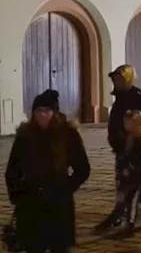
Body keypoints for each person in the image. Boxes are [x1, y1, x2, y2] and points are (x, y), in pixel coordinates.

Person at [5, 90, 91, 253]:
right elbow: (12, 170)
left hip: (58, 203)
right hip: (31, 201)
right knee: (33, 246)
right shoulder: (25, 135)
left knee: (59, 247)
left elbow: (83, 168)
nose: (42, 115)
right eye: (38, 111)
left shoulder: (67, 134)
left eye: (47, 111)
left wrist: (66, 188)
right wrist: (17, 194)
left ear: (54, 113)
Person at [96, 65, 141, 230]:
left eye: (118, 79)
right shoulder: (120, 97)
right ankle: (119, 214)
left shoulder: (137, 97)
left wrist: (131, 140)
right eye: (114, 79)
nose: (115, 82)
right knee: (122, 182)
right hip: (120, 147)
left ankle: (130, 219)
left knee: (132, 184)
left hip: (134, 148)